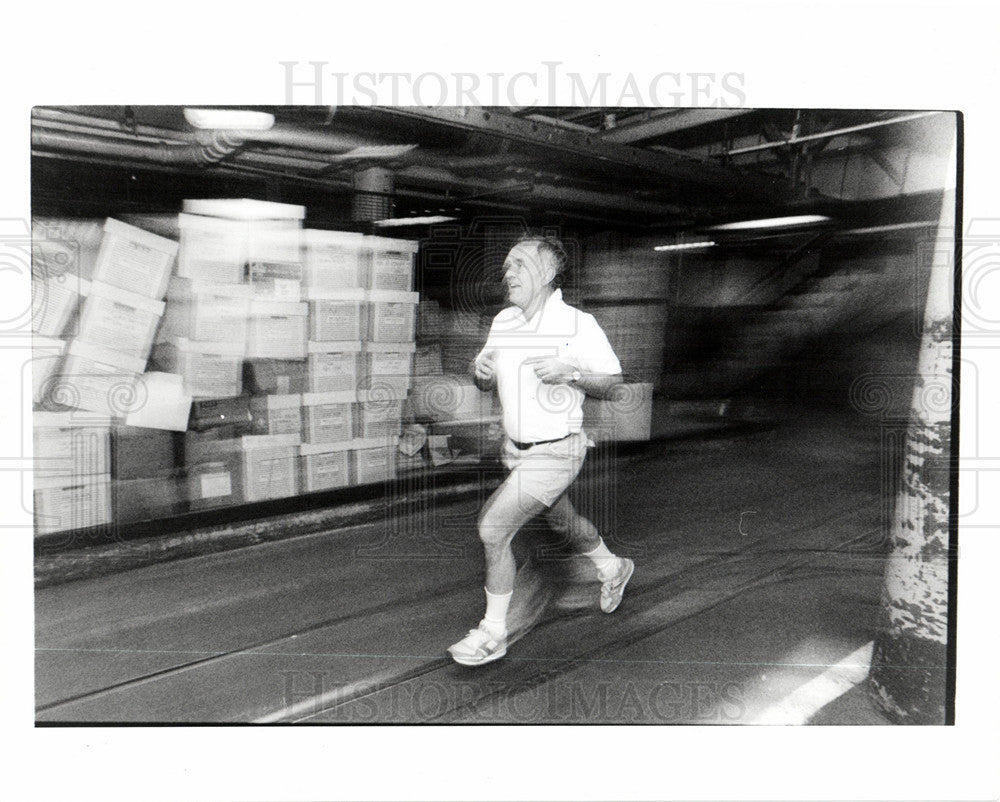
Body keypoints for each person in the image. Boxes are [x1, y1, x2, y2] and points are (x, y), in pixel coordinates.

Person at [447, 235, 635, 667]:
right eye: (507, 265)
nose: (508, 272)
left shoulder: (578, 324)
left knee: (494, 529)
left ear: (548, 273)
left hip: (557, 451)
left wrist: (572, 373)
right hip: (515, 451)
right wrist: (479, 372)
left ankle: (493, 634)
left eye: (519, 264)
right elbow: (484, 379)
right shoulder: (503, 322)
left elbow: (613, 383)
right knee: (563, 520)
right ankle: (612, 568)